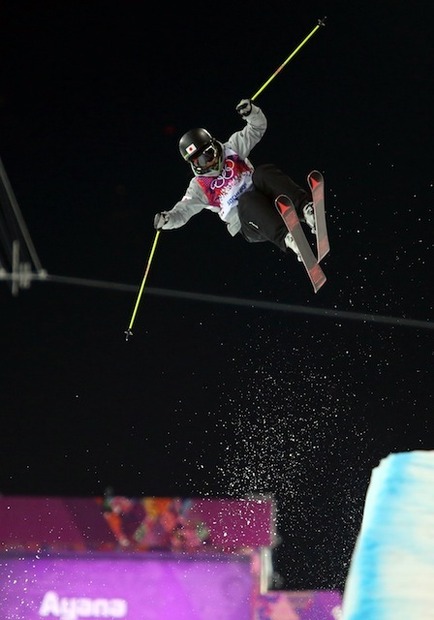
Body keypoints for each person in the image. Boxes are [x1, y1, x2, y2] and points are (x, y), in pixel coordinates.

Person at [153, 99, 316, 261]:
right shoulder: (199, 186)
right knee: (247, 200)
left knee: (262, 172)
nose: (207, 162)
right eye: (200, 161)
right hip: (249, 221)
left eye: (208, 154)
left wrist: (251, 113)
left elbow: (256, 128)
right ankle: (289, 239)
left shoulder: (231, 149)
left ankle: (306, 210)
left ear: (213, 146)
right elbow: (183, 211)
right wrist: (168, 219)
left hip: (267, 196)